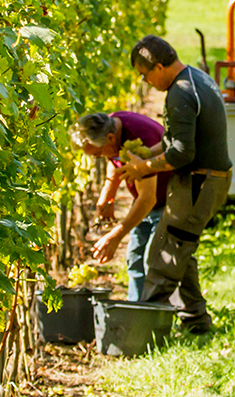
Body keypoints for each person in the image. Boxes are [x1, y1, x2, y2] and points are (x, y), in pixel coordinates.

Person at [115, 35, 232, 333]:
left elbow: (182, 153)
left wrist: (145, 167)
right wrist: (147, 153)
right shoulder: (195, 78)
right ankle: (196, 322)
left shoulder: (179, 92)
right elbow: (173, 140)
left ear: (157, 66)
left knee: (164, 254)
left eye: (145, 75)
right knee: (181, 248)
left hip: (198, 183)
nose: (147, 82)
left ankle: (144, 331)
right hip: (206, 180)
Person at [73, 111, 171, 301]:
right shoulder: (111, 125)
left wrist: (115, 236)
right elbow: (114, 159)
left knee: (154, 259)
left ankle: (157, 316)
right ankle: (138, 311)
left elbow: (148, 198)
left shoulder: (140, 137)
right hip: (148, 199)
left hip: (168, 198)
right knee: (134, 257)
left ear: (110, 138)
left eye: (98, 154)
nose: (99, 158)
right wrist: (108, 195)